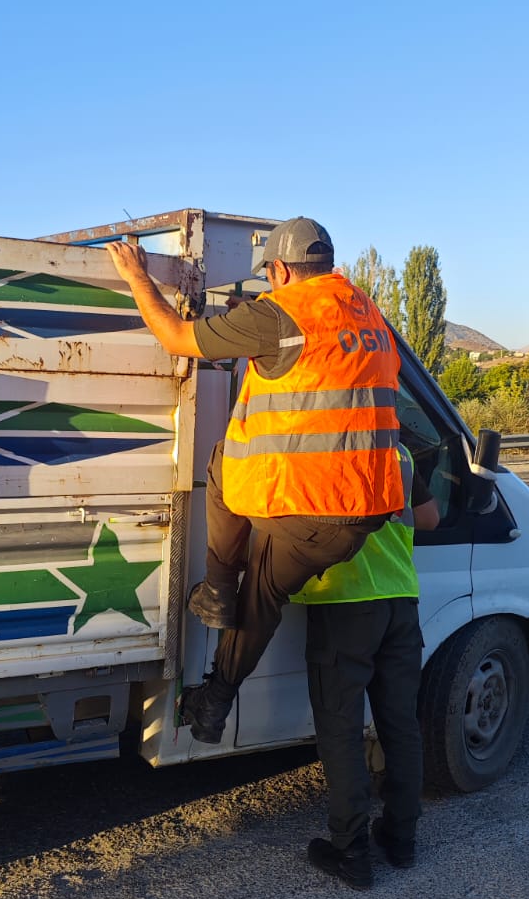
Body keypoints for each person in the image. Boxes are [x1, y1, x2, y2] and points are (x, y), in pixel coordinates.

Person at [108, 217, 405, 744]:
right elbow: (313, 360)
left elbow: (176, 338)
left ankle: (218, 588)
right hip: (361, 513)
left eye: (269, 275)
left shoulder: (277, 316)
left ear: (281, 270)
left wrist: (136, 277)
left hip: (307, 505)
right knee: (263, 595)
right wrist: (246, 318)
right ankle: (214, 702)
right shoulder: (365, 309)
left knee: (228, 461)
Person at [293, 444, 439, 890]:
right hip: (401, 601)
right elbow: (430, 518)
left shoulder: (316, 448)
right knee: (401, 726)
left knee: (341, 731)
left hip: (344, 604)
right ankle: (401, 840)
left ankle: (351, 852)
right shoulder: (398, 453)